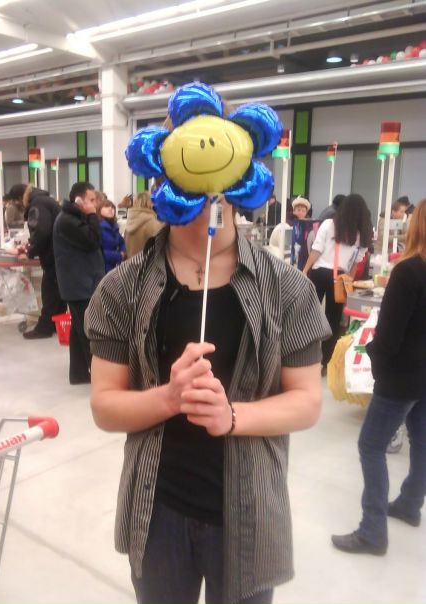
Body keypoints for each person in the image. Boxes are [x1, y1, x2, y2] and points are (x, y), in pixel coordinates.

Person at [85, 193, 331, 604]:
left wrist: (231, 416)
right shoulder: (123, 288)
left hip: (250, 513)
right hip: (157, 510)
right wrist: (170, 397)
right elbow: (104, 406)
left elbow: (307, 401)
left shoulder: (285, 288)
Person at [332, 199, 426, 555]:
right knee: (422, 441)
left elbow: (388, 335)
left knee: (370, 446)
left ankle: (372, 531)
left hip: (401, 377)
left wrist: (376, 364)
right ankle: (410, 503)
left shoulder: (409, 272)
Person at [302, 194, 373, 371]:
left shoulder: (329, 224)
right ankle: (326, 362)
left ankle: (303, 357)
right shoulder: (362, 233)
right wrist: (349, 280)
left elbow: (316, 250)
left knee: (307, 315)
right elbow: (356, 262)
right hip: (340, 278)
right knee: (333, 320)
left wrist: (304, 270)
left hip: (320, 273)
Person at [53, 182, 104, 385]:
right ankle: (99, 376)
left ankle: (79, 373)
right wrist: (92, 215)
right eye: (91, 200)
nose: (94, 204)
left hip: (81, 283)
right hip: (79, 285)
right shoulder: (67, 221)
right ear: (78, 200)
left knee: (78, 330)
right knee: (88, 331)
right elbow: (92, 240)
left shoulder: (72, 218)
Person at [8, 184, 66, 339]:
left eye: (16, 202)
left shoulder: (37, 203)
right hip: (61, 252)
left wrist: (29, 252)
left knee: (49, 291)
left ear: (20, 197)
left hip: (54, 254)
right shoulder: (45, 200)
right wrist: (30, 246)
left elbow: (42, 231)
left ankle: (44, 328)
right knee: (57, 291)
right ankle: (56, 324)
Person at [124, 191, 164, 258]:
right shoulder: (152, 223)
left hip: (131, 262)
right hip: (147, 262)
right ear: (150, 203)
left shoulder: (129, 221)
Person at [98, 199, 126, 273]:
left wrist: (123, 251)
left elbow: (122, 242)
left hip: (115, 267)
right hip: (103, 268)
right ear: (99, 209)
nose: (110, 209)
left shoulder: (114, 226)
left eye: (113, 207)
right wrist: (119, 256)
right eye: (106, 206)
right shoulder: (97, 227)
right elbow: (98, 252)